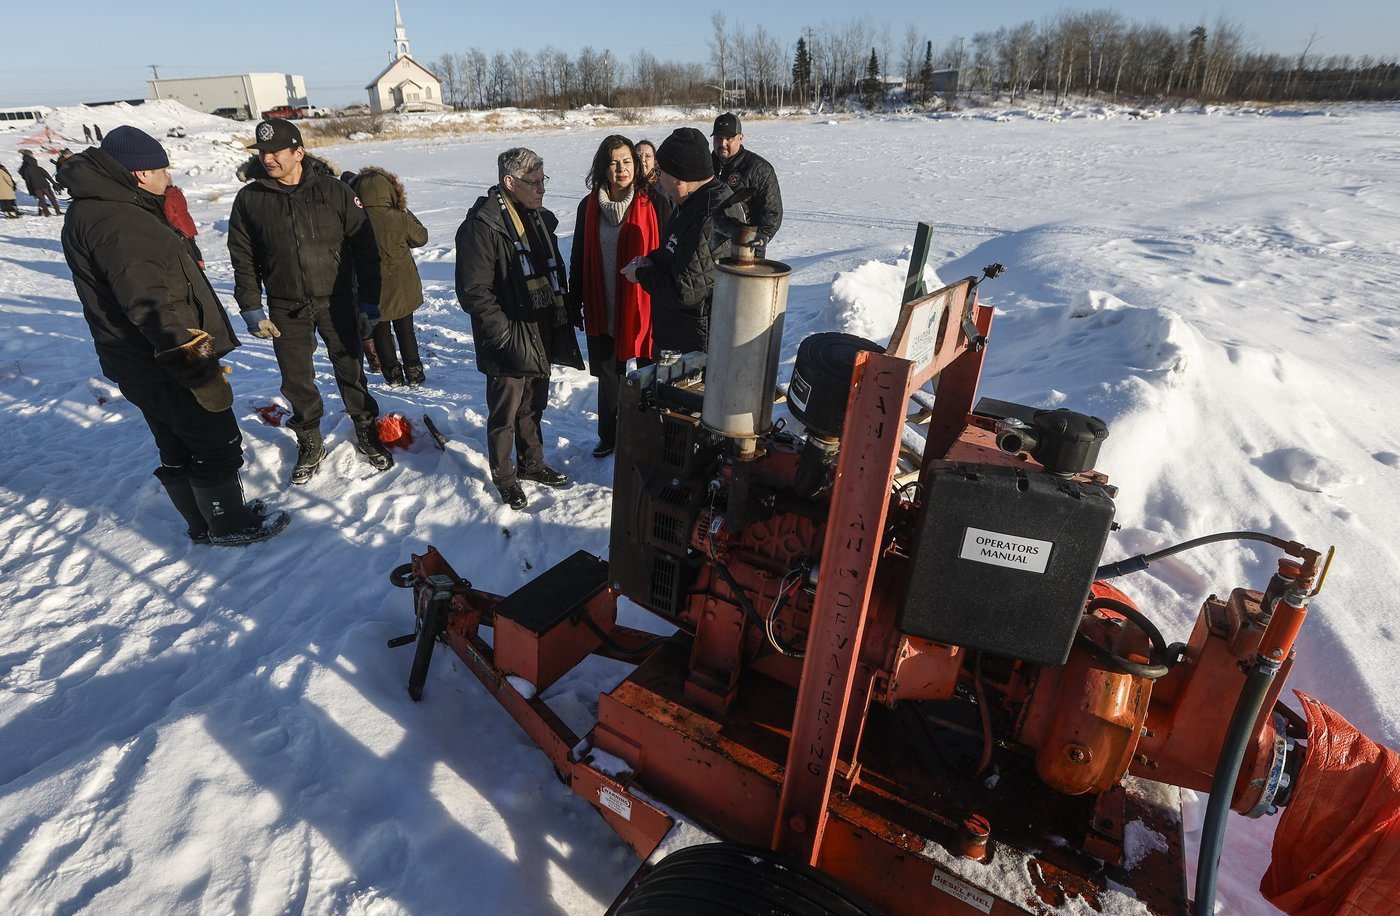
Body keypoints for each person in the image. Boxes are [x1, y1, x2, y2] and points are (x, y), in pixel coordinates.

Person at [60, 126, 289, 545]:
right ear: (141, 173)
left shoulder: (98, 208)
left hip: (138, 361)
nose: (169, 175)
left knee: (177, 442)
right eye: (163, 169)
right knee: (215, 442)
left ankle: (204, 522)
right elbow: (147, 304)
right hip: (166, 360)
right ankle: (228, 524)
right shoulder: (120, 221)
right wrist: (195, 367)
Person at [228, 119, 393, 485]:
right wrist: (251, 306)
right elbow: (243, 257)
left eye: (275, 152)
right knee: (296, 378)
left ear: (298, 152)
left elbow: (365, 248)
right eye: (262, 152)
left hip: (337, 300)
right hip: (286, 305)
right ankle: (309, 439)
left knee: (351, 369)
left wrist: (369, 301)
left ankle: (366, 429)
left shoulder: (334, 191)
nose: (267, 159)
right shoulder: (251, 198)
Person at [455, 147, 583, 511]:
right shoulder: (483, 226)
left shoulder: (538, 219)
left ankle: (533, 464)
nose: (542, 189)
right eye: (534, 182)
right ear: (510, 182)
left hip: (539, 330)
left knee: (532, 406)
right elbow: (474, 292)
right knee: (505, 413)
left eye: (544, 180)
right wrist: (503, 335)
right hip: (508, 337)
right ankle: (505, 477)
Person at [567, 135, 662, 459]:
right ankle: (609, 435)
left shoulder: (654, 203)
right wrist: (574, 300)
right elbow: (579, 255)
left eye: (627, 161)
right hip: (603, 302)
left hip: (644, 307)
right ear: (603, 168)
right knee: (609, 375)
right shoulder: (588, 206)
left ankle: (648, 435)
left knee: (648, 370)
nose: (621, 169)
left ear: (636, 165)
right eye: (613, 162)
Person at [621, 127, 738, 354]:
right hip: (681, 337)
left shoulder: (711, 214)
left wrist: (642, 275)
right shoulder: (693, 203)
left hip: (697, 349)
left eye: (661, 171)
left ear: (678, 179)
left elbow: (685, 290)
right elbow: (676, 250)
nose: (659, 178)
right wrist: (651, 261)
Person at [350, 166, 429, 387]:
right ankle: (414, 371)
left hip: (370, 286)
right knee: (406, 330)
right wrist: (404, 211)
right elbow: (421, 237)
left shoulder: (354, 220)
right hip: (402, 285)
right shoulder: (399, 217)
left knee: (380, 330)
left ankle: (392, 374)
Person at [711, 112, 783, 251]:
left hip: (742, 250)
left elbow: (772, 214)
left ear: (741, 138)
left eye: (729, 139)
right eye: (718, 138)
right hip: (706, 249)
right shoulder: (704, 166)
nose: (723, 144)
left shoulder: (758, 168)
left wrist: (753, 244)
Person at [162, 184, 205, 268]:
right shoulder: (179, 194)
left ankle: (194, 265)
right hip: (188, 222)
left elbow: (169, 216)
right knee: (193, 244)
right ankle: (200, 262)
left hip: (179, 226)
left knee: (187, 247)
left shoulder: (168, 199)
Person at [634, 139, 672, 226]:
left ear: (654, 161)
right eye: (638, 155)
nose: (642, 160)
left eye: (648, 156)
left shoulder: (665, 187)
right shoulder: (628, 188)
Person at [19, 150, 61, 216]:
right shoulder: (39, 168)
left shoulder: (26, 170)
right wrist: (54, 184)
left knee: (42, 200)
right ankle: (58, 212)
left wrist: (30, 190)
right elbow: (48, 176)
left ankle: (46, 213)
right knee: (52, 198)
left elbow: (27, 181)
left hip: (35, 187)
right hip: (45, 185)